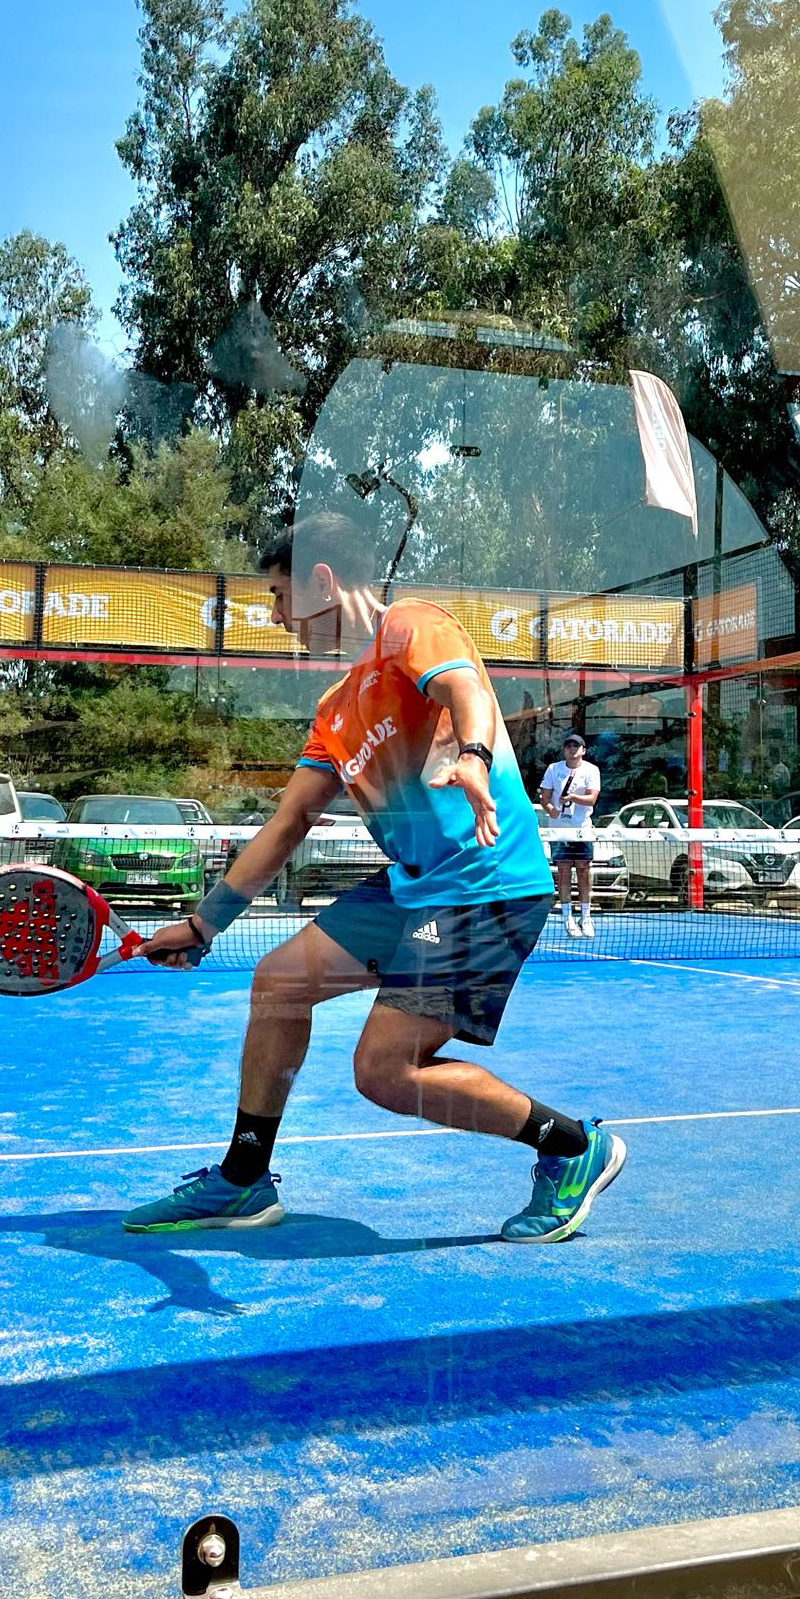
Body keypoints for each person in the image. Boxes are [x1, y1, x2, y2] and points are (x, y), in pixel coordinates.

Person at [122, 511, 627, 1244]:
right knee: (279, 983)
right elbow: (287, 824)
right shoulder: (334, 711)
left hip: (485, 882)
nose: (276, 617)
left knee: (385, 1072)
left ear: (322, 582)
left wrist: (475, 759)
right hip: (414, 885)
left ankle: (573, 1147)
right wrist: (203, 926)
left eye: (279, 595)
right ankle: (243, 1178)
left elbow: (466, 692)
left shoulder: (410, 627)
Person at [538, 731, 601, 937]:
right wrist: (551, 810)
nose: (572, 749)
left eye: (576, 746)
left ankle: (586, 916)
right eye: (569, 746)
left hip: (582, 829)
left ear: (583, 750)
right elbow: (544, 797)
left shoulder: (591, 770)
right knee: (564, 870)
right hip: (559, 831)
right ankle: (567, 917)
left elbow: (592, 798)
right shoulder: (553, 769)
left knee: (584, 869)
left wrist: (573, 797)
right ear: (564, 750)